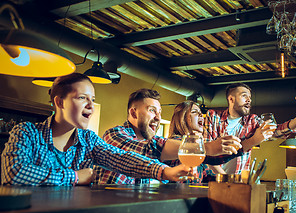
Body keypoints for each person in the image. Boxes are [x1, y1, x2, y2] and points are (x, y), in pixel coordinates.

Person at [1, 73, 190, 186]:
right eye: (83, 98)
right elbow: (14, 173)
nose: (91, 105)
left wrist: (164, 172)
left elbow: (122, 158)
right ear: (59, 102)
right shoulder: (26, 132)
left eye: (92, 99)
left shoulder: (88, 139)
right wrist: (74, 176)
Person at [93, 89, 242, 184]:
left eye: (159, 112)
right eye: (152, 111)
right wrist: (207, 148)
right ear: (133, 113)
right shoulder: (114, 134)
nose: (158, 118)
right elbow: (148, 149)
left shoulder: (160, 142)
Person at [204, 82, 296, 174]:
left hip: (239, 181)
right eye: (244, 96)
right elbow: (206, 153)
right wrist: (226, 179)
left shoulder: (252, 120)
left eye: (250, 97)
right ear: (231, 99)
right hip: (211, 181)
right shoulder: (213, 117)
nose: (249, 100)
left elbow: (279, 131)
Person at [167, 100, 227, 182]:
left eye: (200, 113)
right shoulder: (176, 142)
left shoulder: (197, 148)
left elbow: (209, 176)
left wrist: (231, 181)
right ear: (182, 118)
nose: (201, 115)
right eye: (194, 112)